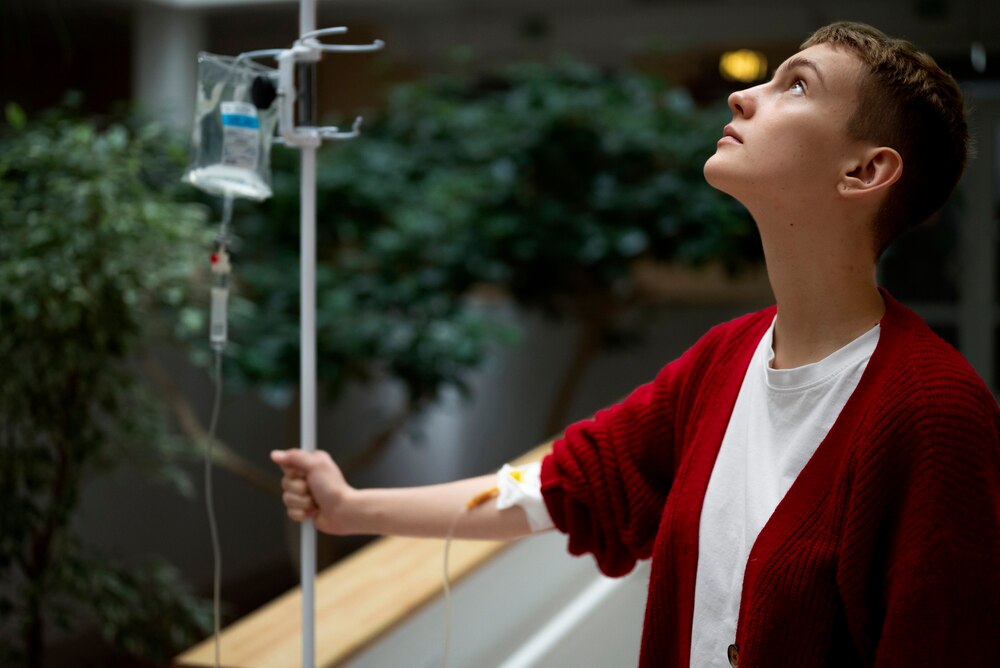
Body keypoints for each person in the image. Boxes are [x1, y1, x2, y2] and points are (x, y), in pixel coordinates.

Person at [271, 21, 1000, 668]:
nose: (743, 97)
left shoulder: (934, 411)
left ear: (864, 171)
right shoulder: (724, 360)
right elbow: (561, 488)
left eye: (796, 87)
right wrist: (353, 507)